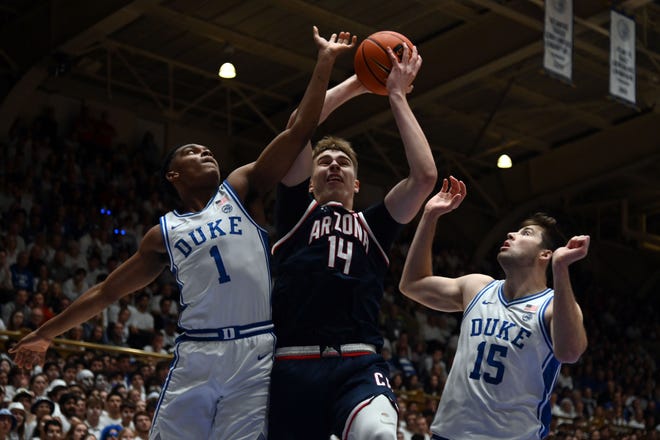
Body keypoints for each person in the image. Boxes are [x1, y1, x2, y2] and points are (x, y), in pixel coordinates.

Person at [10, 26, 356, 440]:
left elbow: (299, 131)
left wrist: (324, 62)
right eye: (192, 151)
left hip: (255, 351)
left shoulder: (242, 189)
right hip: (198, 352)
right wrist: (44, 334)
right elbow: (107, 292)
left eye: (206, 149)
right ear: (174, 175)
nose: (205, 151)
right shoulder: (163, 234)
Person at [268, 42, 437, 439]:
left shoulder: (374, 225)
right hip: (294, 363)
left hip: (358, 363)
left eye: (342, 162)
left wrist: (395, 94)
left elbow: (424, 176)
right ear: (308, 182)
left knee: (378, 436)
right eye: (324, 161)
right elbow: (298, 128)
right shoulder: (296, 213)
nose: (333, 165)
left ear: (356, 184)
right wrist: (356, 84)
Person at [398, 176, 590, 440]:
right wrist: (430, 216)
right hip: (448, 434)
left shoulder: (553, 307)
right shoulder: (478, 287)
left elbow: (569, 353)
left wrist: (561, 269)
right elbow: (412, 284)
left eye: (526, 233)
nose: (511, 233)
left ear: (545, 254)